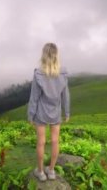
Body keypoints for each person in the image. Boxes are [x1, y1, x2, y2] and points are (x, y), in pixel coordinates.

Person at [27, 42, 70, 181]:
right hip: (56, 112)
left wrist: (30, 115)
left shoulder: (39, 73)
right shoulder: (63, 73)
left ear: (44, 55)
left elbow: (34, 97)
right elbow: (65, 95)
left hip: (41, 113)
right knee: (55, 141)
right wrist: (67, 112)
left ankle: (40, 172)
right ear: (57, 55)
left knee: (41, 142)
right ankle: (51, 171)